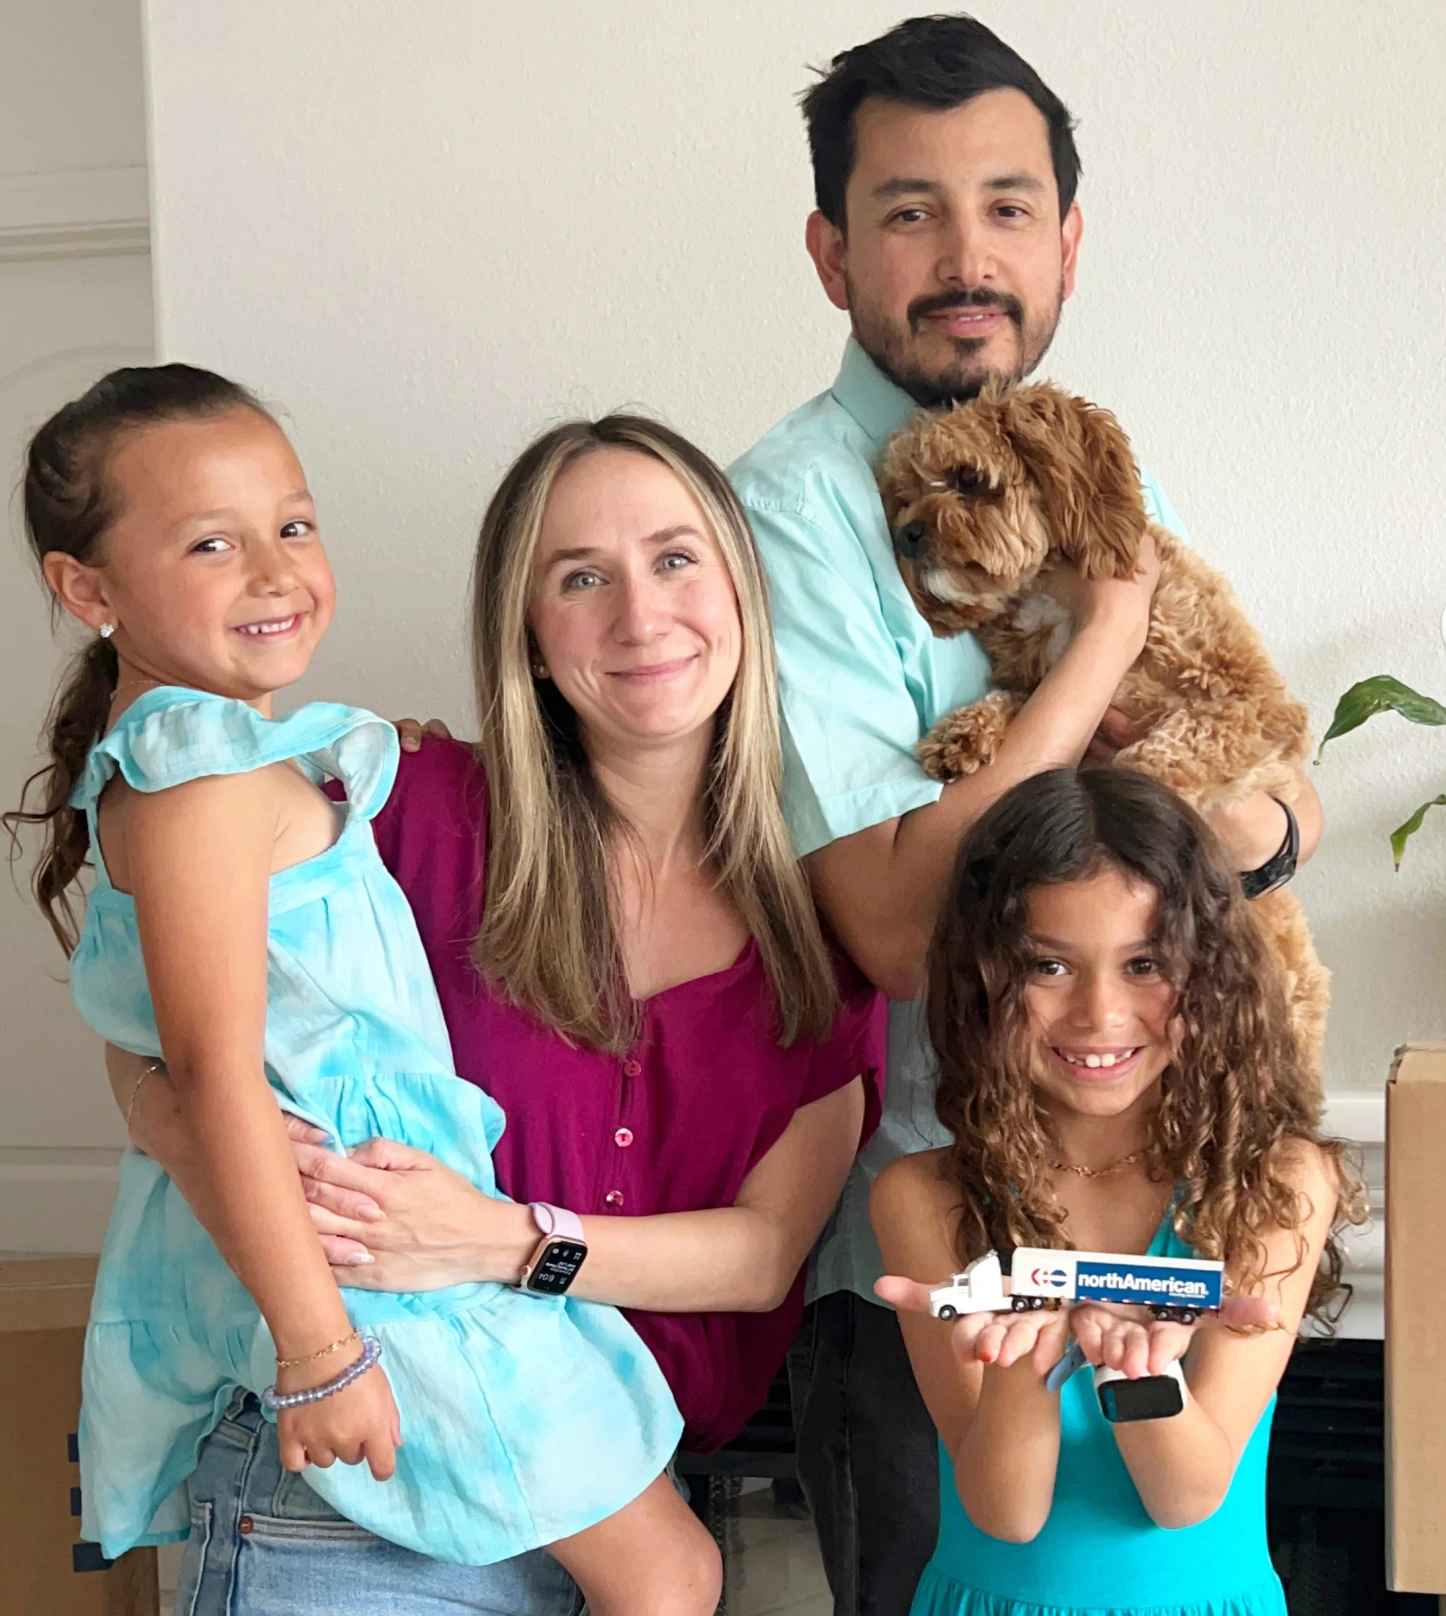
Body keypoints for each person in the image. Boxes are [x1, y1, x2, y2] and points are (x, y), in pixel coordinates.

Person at [91, 399, 884, 1615]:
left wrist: (504, 1239)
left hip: (630, 1506)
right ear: (526, 624)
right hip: (363, 1487)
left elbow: (764, 1249)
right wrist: (166, 1108)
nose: (639, 614)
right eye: (581, 576)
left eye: (675, 558)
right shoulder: (404, 809)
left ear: (740, 589)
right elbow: (162, 1009)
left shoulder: (823, 923)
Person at [728, 18, 1325, 1611]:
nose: (965, 255)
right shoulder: (793, 513)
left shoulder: (1096, 474)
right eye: (909, 210)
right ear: (830, 252)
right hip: (946, 1230)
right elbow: (904, 925)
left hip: (1174, 1181)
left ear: (1067, 242)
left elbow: (1277, 781)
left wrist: (1242, 839)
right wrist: (1110, 650)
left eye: (1006, 206)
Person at [10, 364, 709, 1615]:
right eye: (212, 542)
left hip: (393, 1239)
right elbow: (215, 1070)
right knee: (669, 1572)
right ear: (87, 588)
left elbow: (177, 1042)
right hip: (363, 1268)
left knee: (669, 1570)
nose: (275, 572)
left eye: (292, 524)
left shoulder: (228, 767)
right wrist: (322, 1352)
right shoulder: (203, 778)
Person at [871, 766, 1360, 1616]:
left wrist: (1136, 1376)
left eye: (1144, 964)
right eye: (1050, 966)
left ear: (1210, 976)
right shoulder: (924, 1196)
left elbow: (1187, 1496)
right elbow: (1006, 1512)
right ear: (984, 978)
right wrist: (1025, 1360)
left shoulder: (1276, 1183)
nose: (1100, 1014)